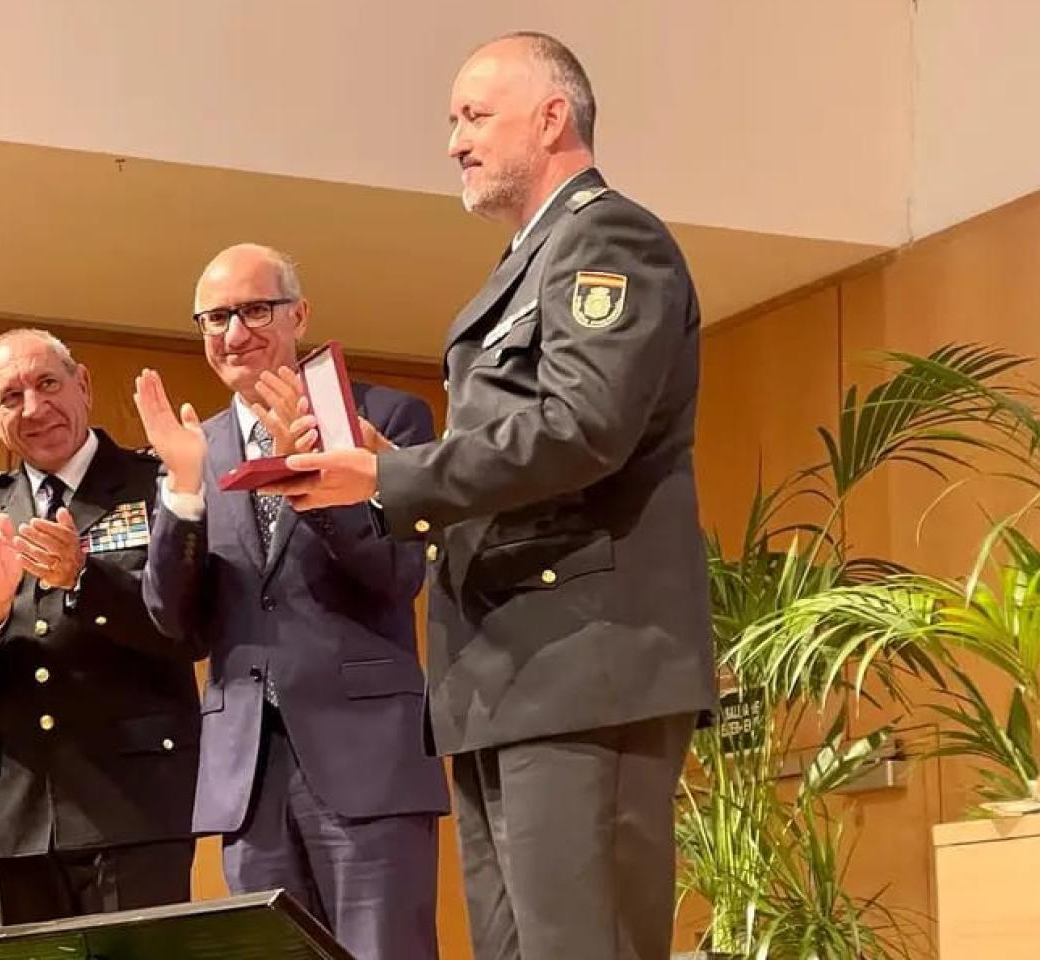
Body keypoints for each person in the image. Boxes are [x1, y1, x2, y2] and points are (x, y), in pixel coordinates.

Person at [268, 33, 717, 960]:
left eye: (474, 116)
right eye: (453, 122)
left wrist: (392, 477)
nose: (454, 143)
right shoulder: (526, 263)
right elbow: (507, 450)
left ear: (552, 116)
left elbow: (586, 426)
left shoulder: (608, 237)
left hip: (583, 664)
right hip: (505, 675)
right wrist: (376, 459)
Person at [134, 243, 448, 960]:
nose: (234, 334)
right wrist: (182, 493)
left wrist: (312, 484)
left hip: (367, 758)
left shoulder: (388, 417)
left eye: (254, 310)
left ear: (299, 315)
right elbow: (176, 626)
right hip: (247, 774)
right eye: (215, 318)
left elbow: (398, 574)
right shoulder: (196, 447)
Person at [0, 328, 201, 925]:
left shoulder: (154, 486)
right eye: (11, 396)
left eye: (48, 383)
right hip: (16, 817)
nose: (34, 408)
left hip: (133, 804)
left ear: (84, 385)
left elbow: (188, 628)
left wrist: (85, 576)